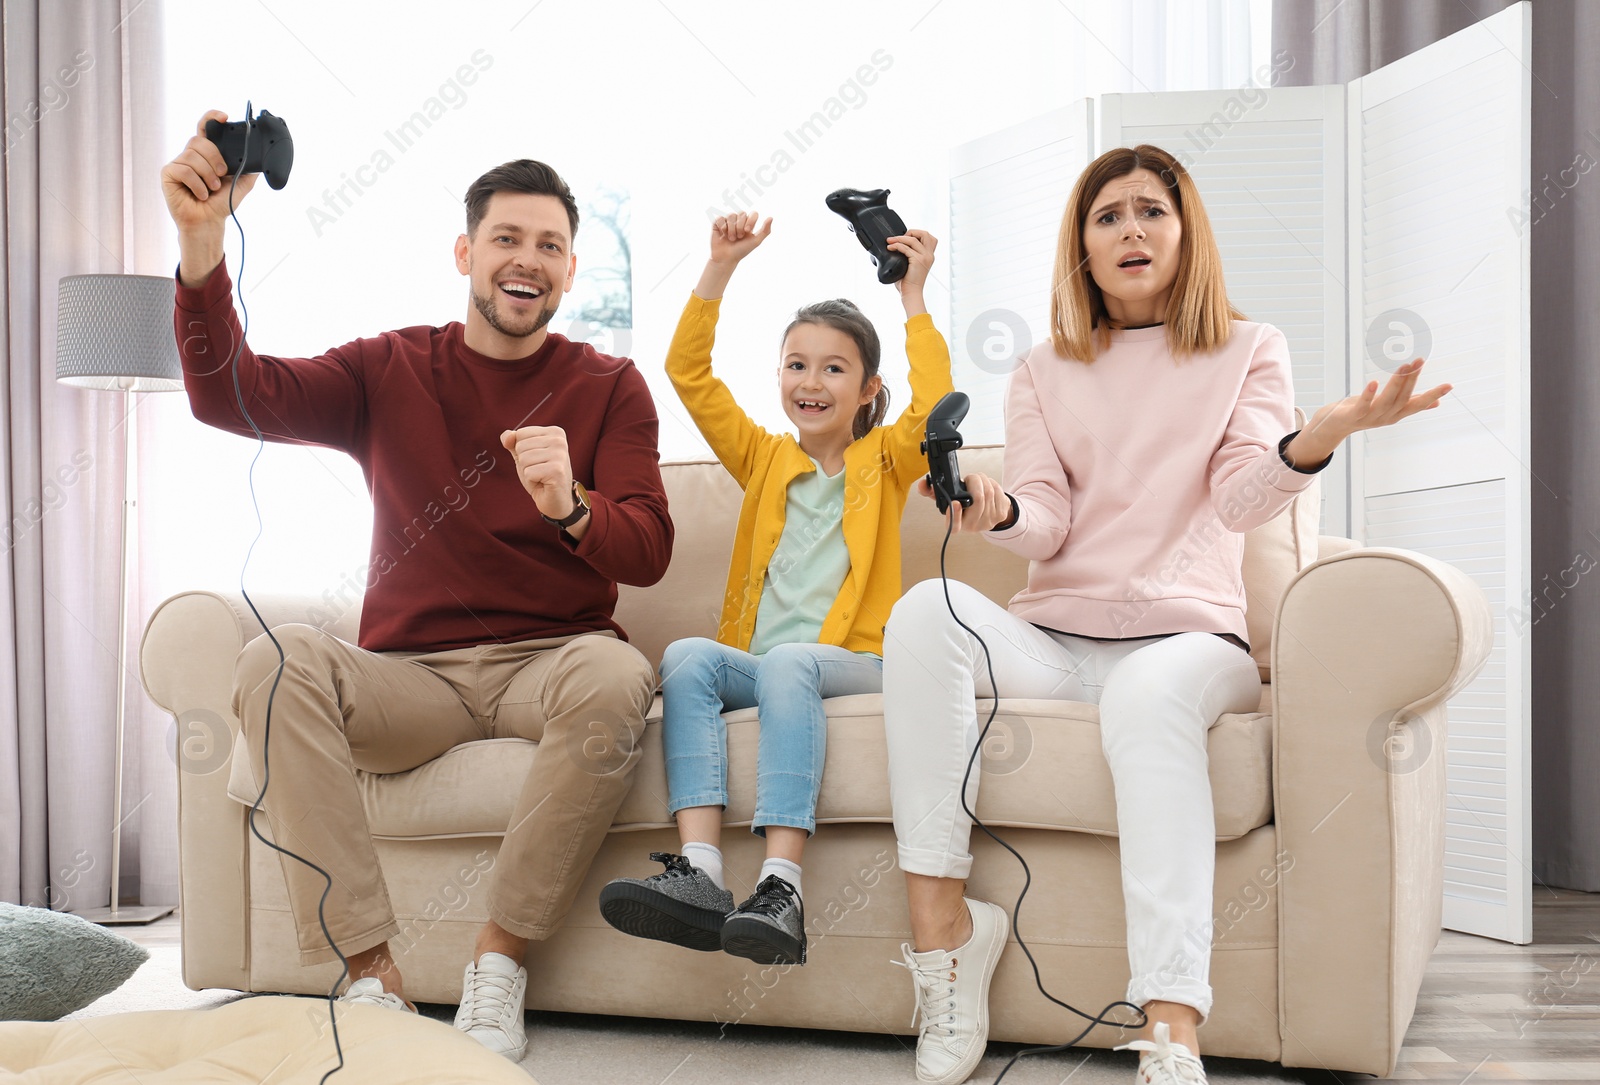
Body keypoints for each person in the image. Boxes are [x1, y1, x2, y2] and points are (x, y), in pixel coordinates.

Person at [880, 144, 1452, 1085]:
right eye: (1108, 216)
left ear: (1186, 235)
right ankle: (946, 943)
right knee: (924, 611)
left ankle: (1171, 1022)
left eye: (1152, 209)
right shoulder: (1042, 368)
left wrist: (1324, 433)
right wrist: (999, 511)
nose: (1132, 228)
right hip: (1059, 639)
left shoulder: (1247, 347)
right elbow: (1047, 516)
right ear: (1084, 247)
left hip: (1190, 643)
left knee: (1146, 697)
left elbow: (1239, 499)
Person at [160, 110, 674, 1062]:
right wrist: (201, 252)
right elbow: (232, 395)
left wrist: (572, 507)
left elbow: (645, 550)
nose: (528, 260)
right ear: (466, 253)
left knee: (615, 679)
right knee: (277, 663)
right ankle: (369, 975)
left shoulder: (611, 385)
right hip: (413, 675)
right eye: (507, 239)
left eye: (550, 245)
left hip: (552, 659)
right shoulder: (390, 365)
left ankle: (499, 965)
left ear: (571, 269)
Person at [597, 211, 953, 967]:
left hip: (855, 661)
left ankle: (782, 884)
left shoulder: (885, 463)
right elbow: (690, 374)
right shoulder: (762, 460)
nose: (811, 381)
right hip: (764, 665)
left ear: (866, 389)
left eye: (833, 368)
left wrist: (913, 297)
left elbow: (933, 409)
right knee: (690, 656)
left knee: (793, 658)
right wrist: (719, 268)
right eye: (797, 365)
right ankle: (699, 875)